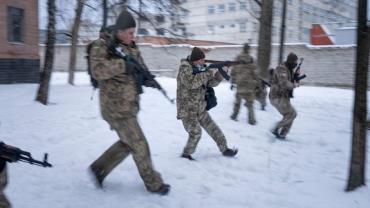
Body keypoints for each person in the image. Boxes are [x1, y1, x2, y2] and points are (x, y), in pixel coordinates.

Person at [88, 10, 170, 195]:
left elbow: (139, 67)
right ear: (120, 31)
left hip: (129, 105)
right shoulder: (101, 46)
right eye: (131, 33)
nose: (134, 36)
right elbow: (97, 70)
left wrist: (148, 79)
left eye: (134, 33)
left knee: (128, 143)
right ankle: (153, 183)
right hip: (115, 108)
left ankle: (98, 168)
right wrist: (122, 65)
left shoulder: (131, 46)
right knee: (139, 144)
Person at [176, 47, 238, 160]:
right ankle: (186, 154)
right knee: (196, 133)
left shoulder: (201, 69)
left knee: (214, 129)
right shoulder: (184, 69)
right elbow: (191, 83)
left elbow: (210, 83)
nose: (203, 62)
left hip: (200, 108)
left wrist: (220, 73)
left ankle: (225, 149)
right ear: (195, 60)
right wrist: (208, 72)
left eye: (204, 60)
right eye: (201, 60)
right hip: (187, 110)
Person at [269, 52, 300, 139]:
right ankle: (276, 128)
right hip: (276, 96)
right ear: (291, 61)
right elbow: (284, 83)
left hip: (283, 96)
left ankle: (282, 134)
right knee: (292, 113)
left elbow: (292, 81)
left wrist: (297, 76)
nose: (296, 64)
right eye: (295, 62)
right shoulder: (281, 69)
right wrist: (294, 85)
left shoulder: (289, 70)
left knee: (290, 114)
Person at [230, 43, 259, 125]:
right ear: (249, 49)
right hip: (249, 85)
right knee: (250, 104)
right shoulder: (252, 59)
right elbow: (255, 73)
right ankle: (252, 120)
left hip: (239, 83)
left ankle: (234, 116)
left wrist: (232, 82)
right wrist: (257, 84)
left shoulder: (237, 58)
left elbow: (233, 71)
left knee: (237, 102)